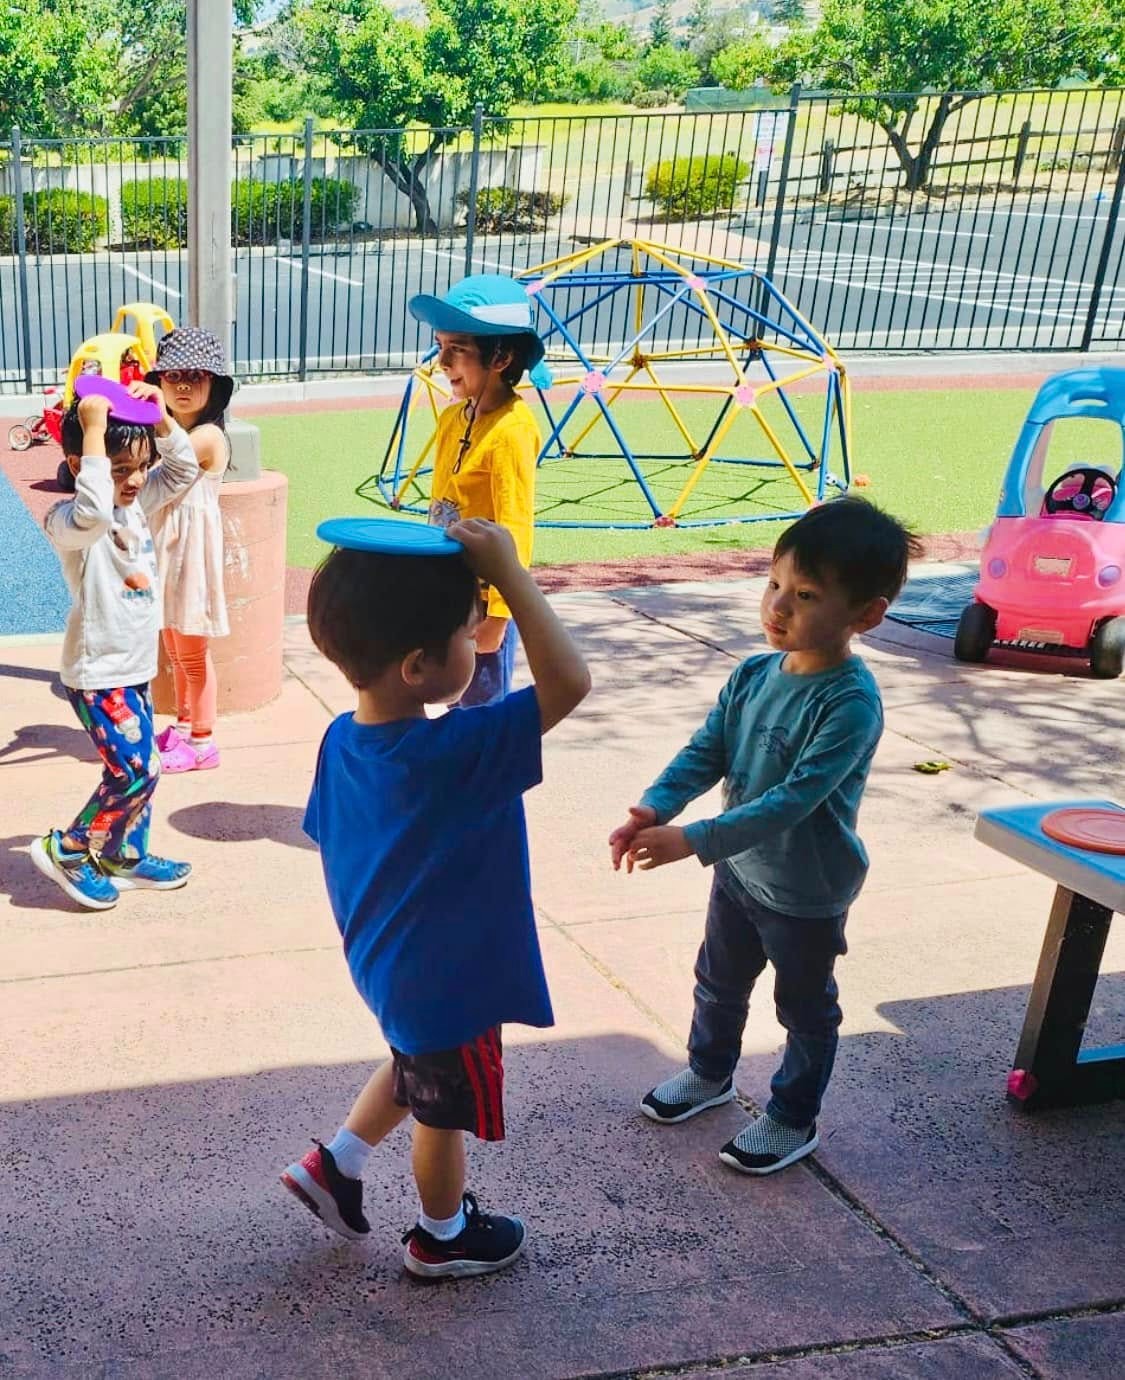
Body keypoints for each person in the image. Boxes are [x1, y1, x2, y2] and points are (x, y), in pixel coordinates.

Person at [281, 517, 590, 1279]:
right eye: (468, 632)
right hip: (449, 978)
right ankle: (441, 1233)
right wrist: (512, 574)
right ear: (419, 666)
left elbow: (332, 834)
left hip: (393, 966)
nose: (478, 640)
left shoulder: (340, 740)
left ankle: (337, 1164)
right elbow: (570, 682)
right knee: (442, 1110)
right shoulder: (453, 751)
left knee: (415, 1064)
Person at [609, 497, 922, 1175]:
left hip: (804, 890)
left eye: (805, 595)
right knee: (717, 982)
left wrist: (691, 838)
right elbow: (706, 750)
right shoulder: (753, 674)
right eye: (773, 584)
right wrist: (653, 808)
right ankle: (708, 1073)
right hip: (739, 873)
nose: (777, 607)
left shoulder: (849, 703)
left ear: (865, 614)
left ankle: (791, 1116)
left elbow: (793, 801)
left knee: (803, 1007)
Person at [29, 384, 199, 912]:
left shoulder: (133, 503)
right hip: (97, 672)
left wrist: (161, 418)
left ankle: (125, 853)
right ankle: (70, 847)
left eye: (139, 467)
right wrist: (96, 429)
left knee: (144, 765)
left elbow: (183, 471)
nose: (134, 480)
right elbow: (94, 512)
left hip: (133, 667)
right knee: (133, 772)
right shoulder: (70, 521)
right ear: (83, 465)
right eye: (120, 468)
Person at [408, 274, 549, 706]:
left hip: (485, 604)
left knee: (481, 710)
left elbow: (515, 526)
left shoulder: (512, 431)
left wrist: (500, 617)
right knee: (450, 699)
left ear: (502, 356)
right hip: (448, 592)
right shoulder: (455, 417)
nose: (442, 361)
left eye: (458, 349)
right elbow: (441, 505)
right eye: (440, 345)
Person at [145, 328, 234, 773]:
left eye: (195, 377)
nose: (182, 386)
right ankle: (183, 727)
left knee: (194, 656)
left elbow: (173, 467)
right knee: (176, 652)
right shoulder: (171, 434)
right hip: (168, 557)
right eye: (172, 375)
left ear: (214, 387)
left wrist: (156, 417)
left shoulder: (207, 438)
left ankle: (203, 740)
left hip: (192, 562)